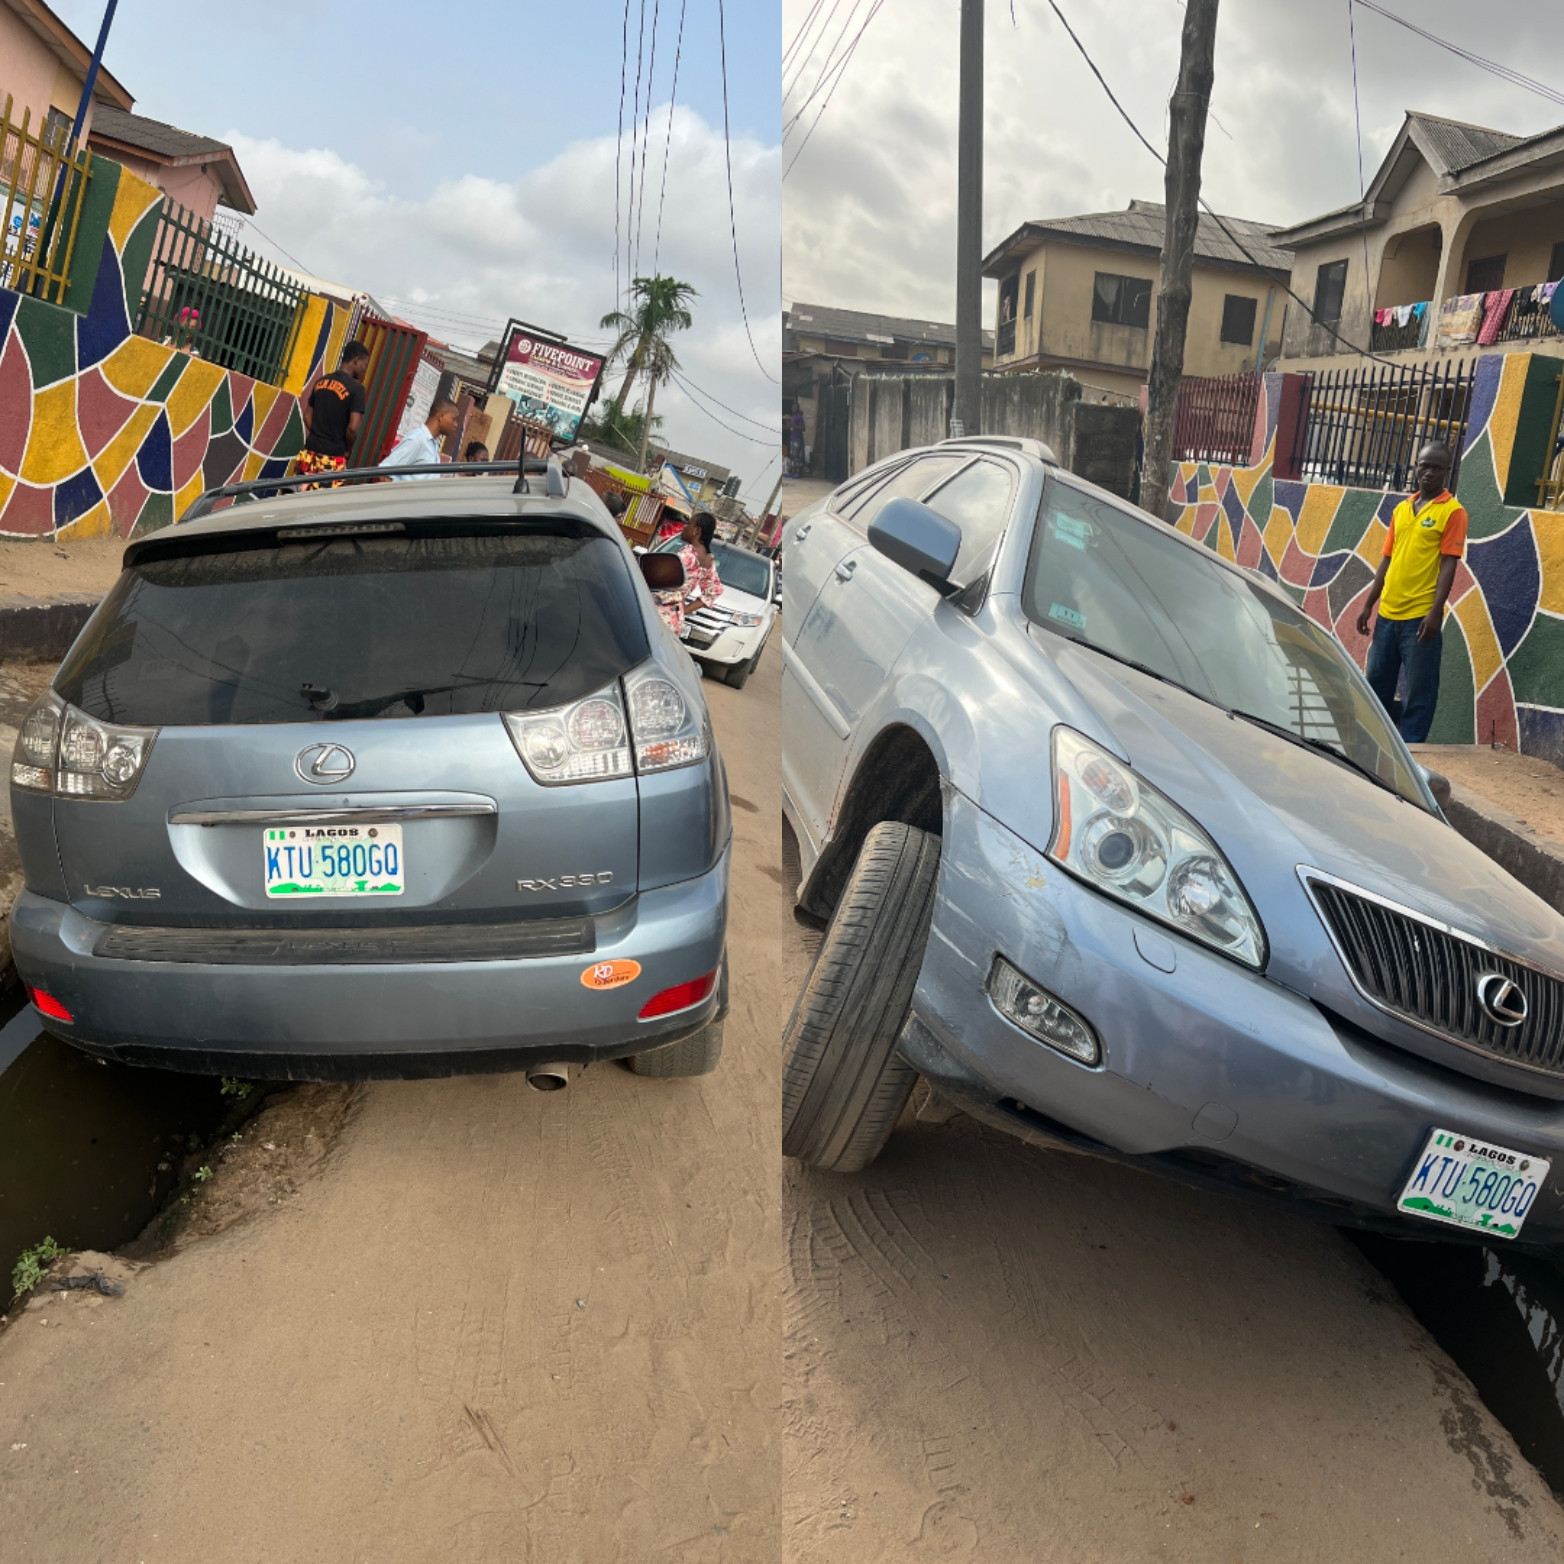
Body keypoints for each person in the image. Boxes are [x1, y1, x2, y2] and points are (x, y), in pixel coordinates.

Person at [1355, 442, 1467, 743]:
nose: (1429, 472)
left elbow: (1448, 565)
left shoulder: (1453, 512)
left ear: (1447, 472)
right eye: (1424, 465)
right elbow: (1387, 559)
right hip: (1387, 615)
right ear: (1415, 466)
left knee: (1419, 691)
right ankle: (1373, 744)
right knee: (1376, 684)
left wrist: (1435, 612)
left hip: (1420, 618)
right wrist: (1368, 605)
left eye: (1437, 468)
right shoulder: (1402, 509)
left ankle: (1413, 751)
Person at [297, 341, 370, 486]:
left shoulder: (321, 381)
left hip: (308, 454)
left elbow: (307, 416)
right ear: (356, 360)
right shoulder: (357, 390)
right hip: (331, 459)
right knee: (323, 505)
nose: (365, 370)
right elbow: (353, 428)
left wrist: (320, 433)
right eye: (365, 364)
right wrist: (347, 450)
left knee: (298, 499)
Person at [655, 511, 724, 636]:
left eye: (689, 524)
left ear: (696, 530)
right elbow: (714, 591)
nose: (684, 527)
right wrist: (682, 610)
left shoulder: (687, 557)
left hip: (657, 618)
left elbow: (657, 579)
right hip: (673, 620)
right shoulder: (705, 558)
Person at [381, 399, 459, 479]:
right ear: (441, 417)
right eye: (453, 419)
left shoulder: (433, 444)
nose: (456, 425)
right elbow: (385, 472)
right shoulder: (417, 440)